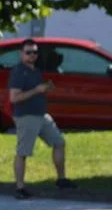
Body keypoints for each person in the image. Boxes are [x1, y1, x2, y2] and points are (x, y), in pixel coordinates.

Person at [8, 38, 77, 199]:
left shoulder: (36, 71)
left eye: (35, 52)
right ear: (21, 53)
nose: (32, 55)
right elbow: (14, 98)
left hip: (41, 115)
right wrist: (36, 90)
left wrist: (45, 88)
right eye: (28, 52)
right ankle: (20, 188)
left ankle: (61, 179)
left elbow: (37, 90)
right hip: (26, 116)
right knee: (23, 152)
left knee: (59, 142)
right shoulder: (19, 72)